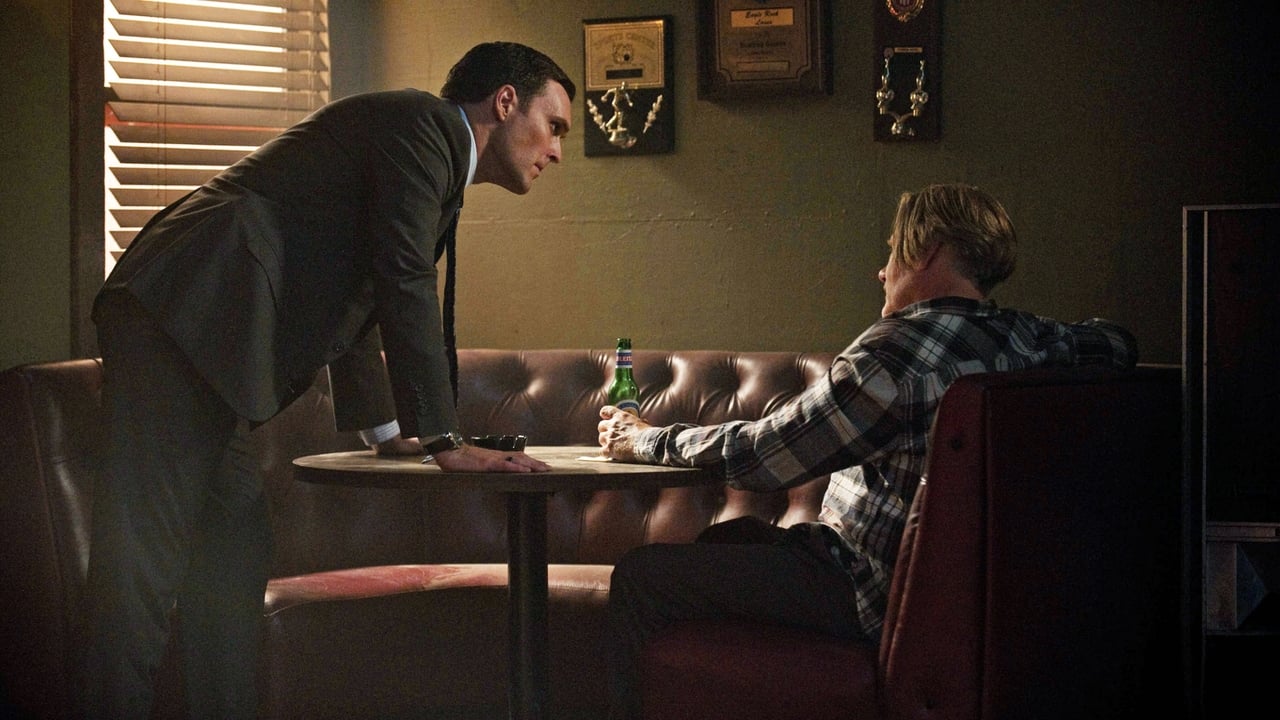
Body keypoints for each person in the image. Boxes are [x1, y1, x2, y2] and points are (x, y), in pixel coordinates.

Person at [80, 42, 573, 719]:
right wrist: (445, 439)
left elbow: (363, 292)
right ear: (506, 102)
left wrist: (389, 432)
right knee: (141, 571)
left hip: (209, 335)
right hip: (184, 308)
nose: (557, 152)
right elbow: (402, 277)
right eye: (555, 126)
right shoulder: (424, 127)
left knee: (234, 550)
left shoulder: (429, 152)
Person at [595, 183, 1139, 719]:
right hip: (978, 602)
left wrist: (643, 438)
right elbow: (1120, 343)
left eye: (893, 251)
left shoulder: (891, 358)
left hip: (867, 591)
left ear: (926, 251)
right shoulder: (1031, 339)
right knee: (728, 539)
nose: (883, 271)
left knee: (643, 575)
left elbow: (764, 456)